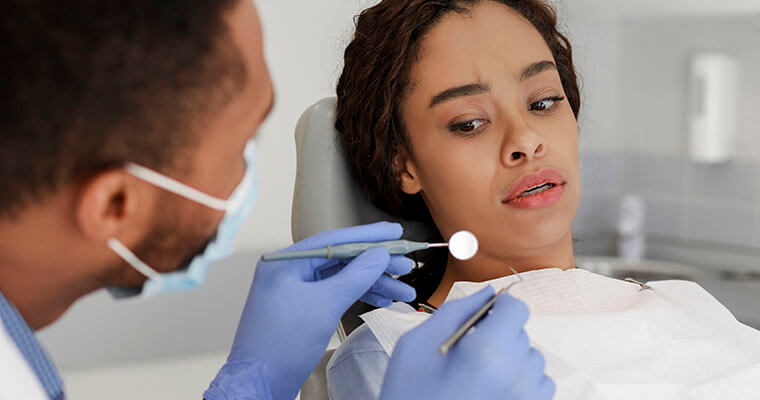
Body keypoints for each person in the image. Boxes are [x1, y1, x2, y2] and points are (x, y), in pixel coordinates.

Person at [0, 1, 554, 399]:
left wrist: (250, 383)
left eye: (547, 101)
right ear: (116, 206)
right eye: (243, 144)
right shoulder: (385, 357)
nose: (527, 141)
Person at [326, 1, 760, 399]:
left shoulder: (684, 304)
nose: (526, 140)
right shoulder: (400, 359)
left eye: (544, 102)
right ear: (404, 165)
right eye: (470, 123)